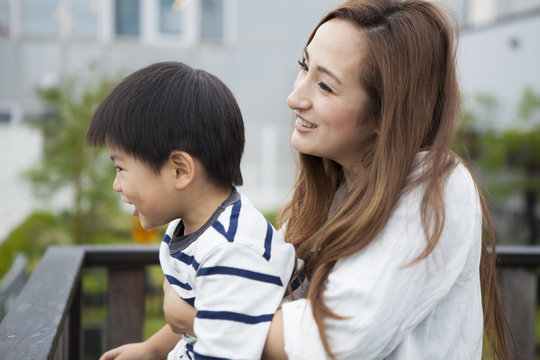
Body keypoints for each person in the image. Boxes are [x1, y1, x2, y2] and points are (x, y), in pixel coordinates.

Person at [164, 1, 512, 359]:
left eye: (326, 87)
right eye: (304, 66)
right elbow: (256, 286)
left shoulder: (436, 186)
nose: (294, 97)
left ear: (386, 112)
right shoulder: (336, 189)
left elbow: (333, 337)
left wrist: (193, 318)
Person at [87, 61, 296, 360]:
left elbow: (223, 349)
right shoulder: (197, 228)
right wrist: (149, 350)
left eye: (121, 168)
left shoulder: (232, 251)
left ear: (180, 170)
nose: (116, 184)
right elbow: (198, 316)